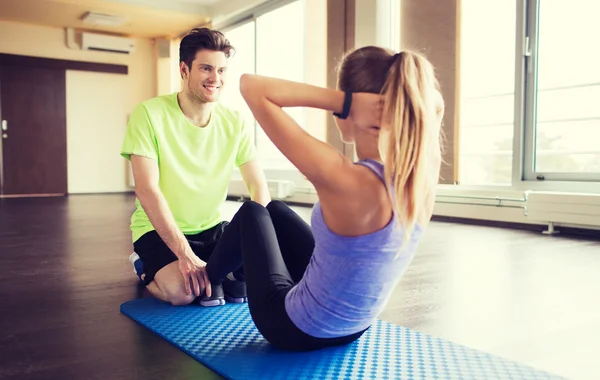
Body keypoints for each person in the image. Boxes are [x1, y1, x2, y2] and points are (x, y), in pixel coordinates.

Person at [202, 46, 445, 351]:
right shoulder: (420, 178)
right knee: (274, 209)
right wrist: (397, 102)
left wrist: (345, 100)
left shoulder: (347, 179)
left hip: (293, 329)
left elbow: (251, 86)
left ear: (349, 111)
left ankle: (204, 280)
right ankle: (229, 271)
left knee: (253, 211)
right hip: (355, 328)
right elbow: (435, 104)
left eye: (340, 105)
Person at [120, 28, 271, 307]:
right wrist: (184, 255)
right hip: (158, 230)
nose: (216, 78)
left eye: (222, 70)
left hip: (212, 229)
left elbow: (258, 186)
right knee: (184, 293)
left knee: (242, 288)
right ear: (184, 69)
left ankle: (209, 271)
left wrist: (259, 238)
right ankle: (143, 265)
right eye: (206, 68)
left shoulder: (235, 121)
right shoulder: (149, 114)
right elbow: (146, 188)